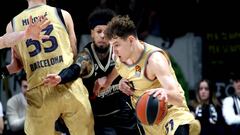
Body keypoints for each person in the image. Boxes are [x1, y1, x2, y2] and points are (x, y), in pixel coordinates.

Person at [43, 8, 144, 135]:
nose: (102, 35)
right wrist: (60, 78)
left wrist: (111, 79)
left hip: (123, 111)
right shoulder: (86, 56)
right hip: (100, 118)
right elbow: (75, 69)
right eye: (98, 31)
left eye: (106, 31)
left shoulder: (119, 50)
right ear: (92, 33)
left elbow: (135, 60)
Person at [1, 0, 94, 134]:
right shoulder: (62, 14)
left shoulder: (12, 25)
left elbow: (18, 64)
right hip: (68, 84)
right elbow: (73, 53)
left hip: (39, 89)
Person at [93, 15, 195, 135]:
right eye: (111, 46)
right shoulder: (119, 57)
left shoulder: (155, 60)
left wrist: (165, 93)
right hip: (147, 120)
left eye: (116, 45)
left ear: (131, 40)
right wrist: (109, 81)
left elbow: (178, 98)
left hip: (169, 112)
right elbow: (121, 69)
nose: (113, 51)